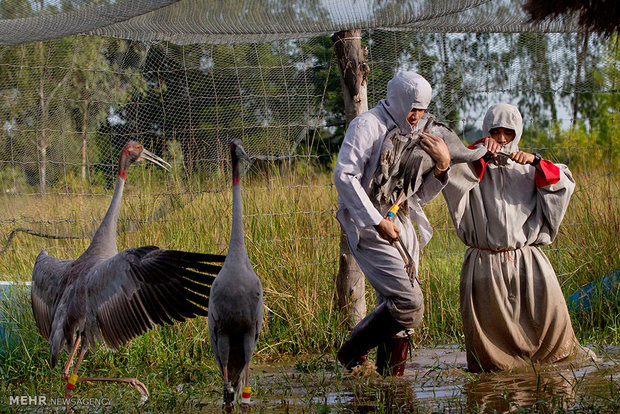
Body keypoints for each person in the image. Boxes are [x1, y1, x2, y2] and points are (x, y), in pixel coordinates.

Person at [442, 102, 588, 372]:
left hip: (528, 262)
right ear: (486, 132)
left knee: (553, 340)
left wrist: (535, 161)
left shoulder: (531, 168)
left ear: (517, 133)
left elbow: (562, 182)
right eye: (495, 132)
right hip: (485, 265)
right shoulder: (471, 168)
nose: (501, 140)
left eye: (508, 133)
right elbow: (449, 176)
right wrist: (479, 154)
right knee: (491, 352)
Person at [333, 71, 451, 376]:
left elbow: (416, 196)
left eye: (422, 110)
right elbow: (344, 175)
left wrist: (442, 166)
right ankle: (350, 352)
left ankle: (390, 381)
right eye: (412, 107)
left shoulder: (417, 132)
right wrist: (376, 222)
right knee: (408, 301)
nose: (417, 115)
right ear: (397, 100)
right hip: (369, 227)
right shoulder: (367, 125)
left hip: (401, 221)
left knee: (395, 304)